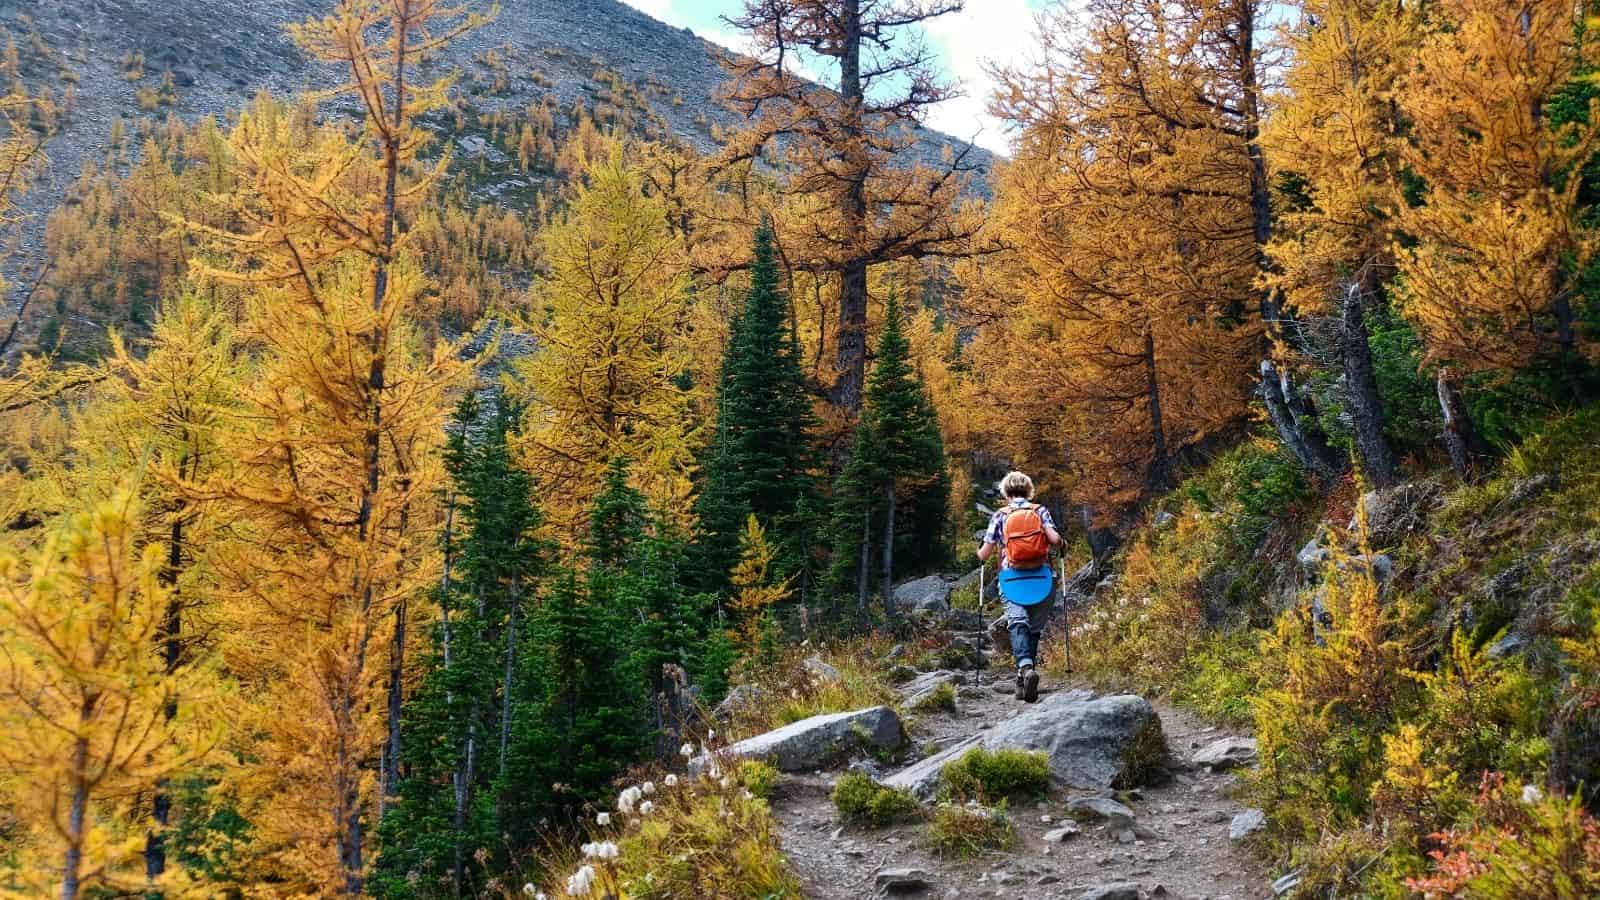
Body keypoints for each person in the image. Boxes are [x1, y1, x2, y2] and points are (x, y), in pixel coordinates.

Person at [977, 471, 1062, 702]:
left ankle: (1024, 670)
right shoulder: (1040, 511)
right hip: (1042, 577)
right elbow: (1054, 540)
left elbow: (984, 554)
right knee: (1032, 629)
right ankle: (1024, 675)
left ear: (1005, 492)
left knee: (1017, 623)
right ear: (1029, 490)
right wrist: (1061, 543)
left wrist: (980, 551)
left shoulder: (1000, 515)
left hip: (1012, 579)